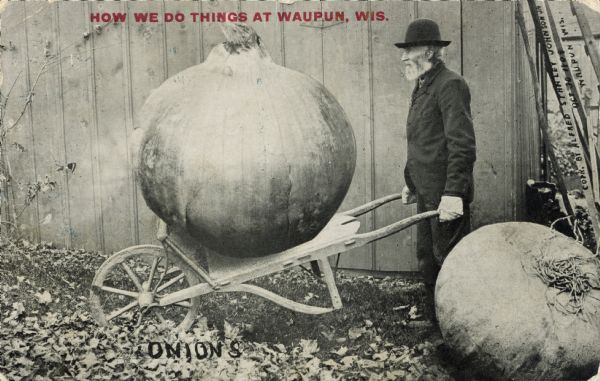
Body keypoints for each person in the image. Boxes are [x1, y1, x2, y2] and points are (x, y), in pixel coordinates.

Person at [394, 19, 477, 305]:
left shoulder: (450, 85)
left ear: (429, 52)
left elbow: (462, 144)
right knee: (427, 259)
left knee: (449, 263)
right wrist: (410, 181)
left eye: (409, 50)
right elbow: (421, 140)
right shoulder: (422, 86)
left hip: (445, 195)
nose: (403, 56)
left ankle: (457, 326)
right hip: (427, 191)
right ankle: (436, 321)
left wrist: (454, 194)